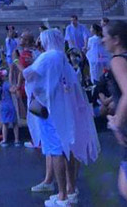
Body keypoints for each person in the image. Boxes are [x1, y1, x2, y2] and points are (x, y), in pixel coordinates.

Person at [23, 28, 99, 207]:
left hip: (50, 111)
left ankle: (62, 195)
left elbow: (29, 75)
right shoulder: (62, 57)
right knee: (68, 149)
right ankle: (70, 190)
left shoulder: (46, 57)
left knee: (55, 151)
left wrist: (18, 62)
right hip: (65, 110)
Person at [103, 20, 127, 202]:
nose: (102, 40)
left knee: (125, 188)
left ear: (116, 39)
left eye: (105, 37)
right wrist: (114, 102)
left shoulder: (118, 61)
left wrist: (117, 124)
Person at [0, 70, 20, 147]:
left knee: (5, 124)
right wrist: (16, 87)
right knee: (15, 123)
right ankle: (16, 140)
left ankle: (4, 140)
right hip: (10, 106)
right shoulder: (6, 85)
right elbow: (12, 91)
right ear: (2, 78)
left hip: (2, 107)